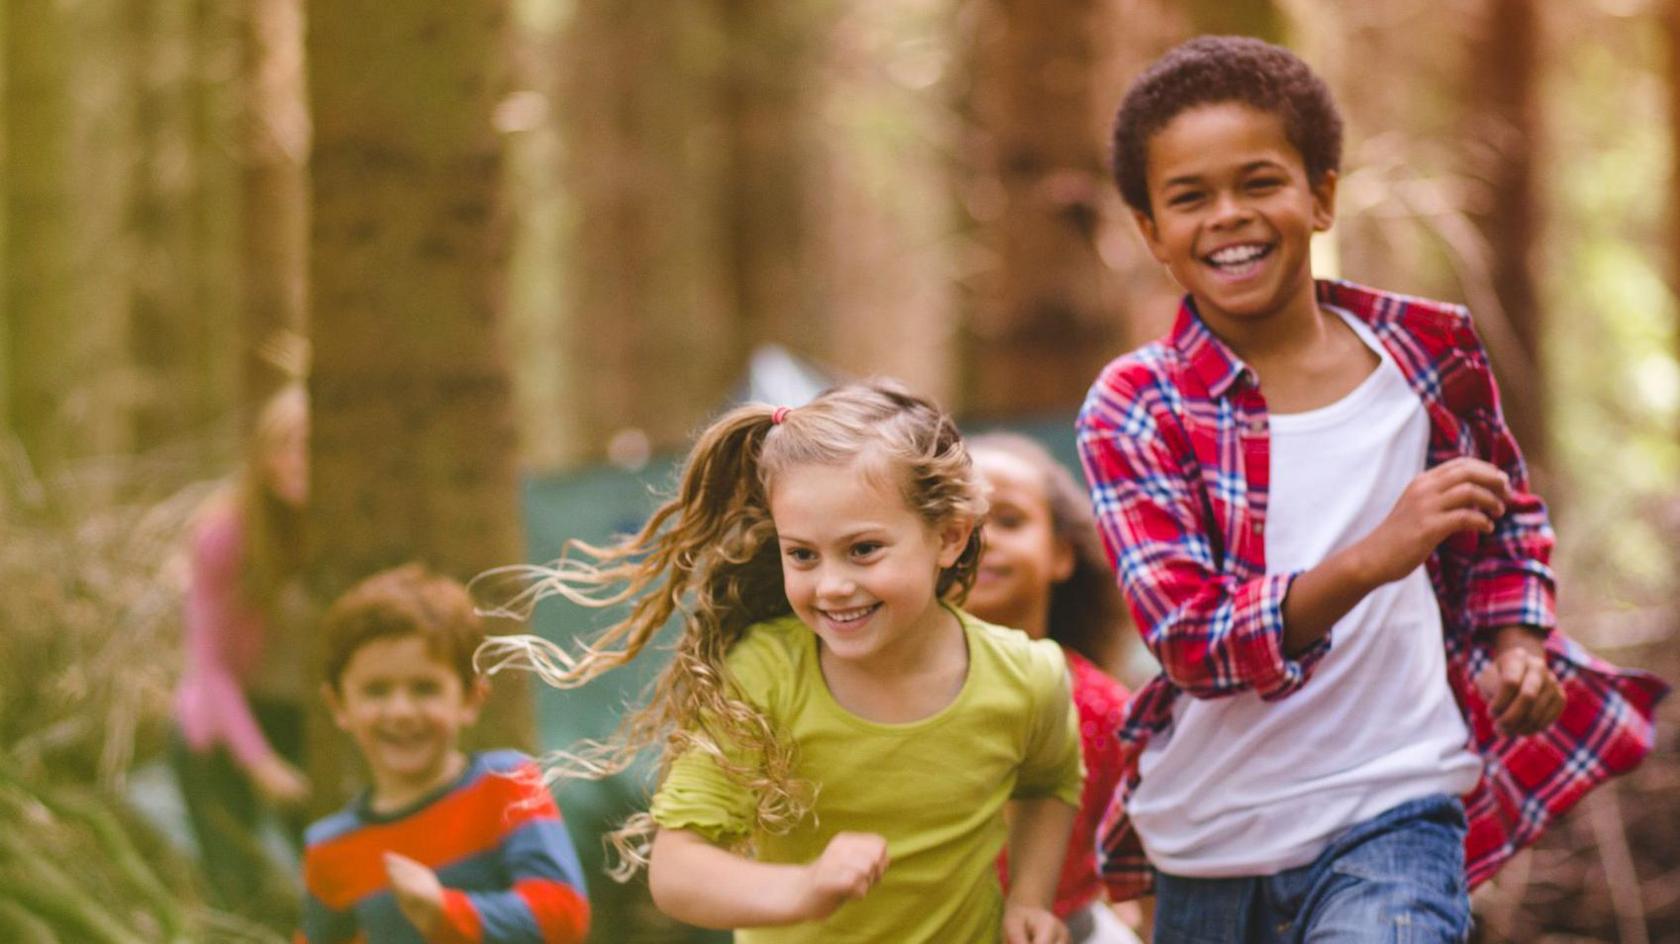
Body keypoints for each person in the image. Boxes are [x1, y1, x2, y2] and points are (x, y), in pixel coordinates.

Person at [1076, 35, 1669, 943]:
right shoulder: (1136, 405)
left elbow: (1504, 525)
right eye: (1189, 198)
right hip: (1209, 844)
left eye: (1260, 182)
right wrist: (1373, 559)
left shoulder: (1427, 357)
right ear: (1152, 232)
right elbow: (1193, 641)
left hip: (1395, 807)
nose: (1228, 217)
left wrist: (1518, 644)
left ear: (1321, 195)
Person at [478, 381, 1084, 944]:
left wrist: (1029, 897)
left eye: (864, 550)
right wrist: (804, 887)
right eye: (804, 555)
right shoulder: (766, 676)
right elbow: (678, 871)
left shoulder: (1030, 677)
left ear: (949, 536)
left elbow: (1048, 782)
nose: (833, 586)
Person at [297, 564, 590, 943]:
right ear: (338, 705)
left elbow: (564, 917)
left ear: (470, 698)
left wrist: (444, 911)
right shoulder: (330, 847)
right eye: (376, 690)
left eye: (424, 688)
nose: (401, 711)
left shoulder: (507, 786)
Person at [964, 433, 1143, 944]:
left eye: (1009, 520)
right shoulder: (891, 695)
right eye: (957, 526)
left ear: (1061, 553)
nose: (983, 539)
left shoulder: (1102, 707)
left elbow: (1144, 857)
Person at [172, 383, 312, 906]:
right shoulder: (225, 534)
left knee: (328, 881)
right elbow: (209, 665)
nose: (298, 459)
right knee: (234, 890)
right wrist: (260, 763)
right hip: (223, 732)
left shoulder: (346, 532)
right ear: (263, 455)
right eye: (284, 444)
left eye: (312, 444)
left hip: (309, 724)